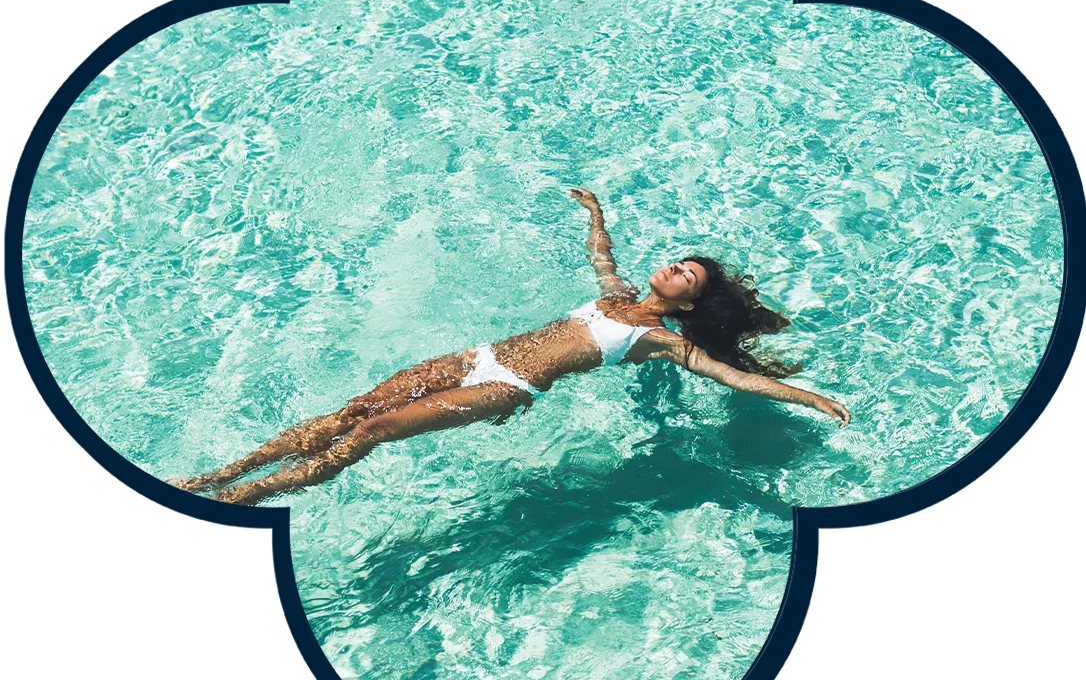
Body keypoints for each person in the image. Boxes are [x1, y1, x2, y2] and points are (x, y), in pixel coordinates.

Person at [173, 188, 850, 505]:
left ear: (690, 302)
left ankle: (250, 496)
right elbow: (601, 258)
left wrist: (809, 396)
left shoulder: (658, 341)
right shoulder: (616, 296)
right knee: (356, 407)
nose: (672, 266)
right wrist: (595, 215)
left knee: (376, 429)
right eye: (677, 260)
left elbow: (736, 380)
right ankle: (217, 475)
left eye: (686, 274)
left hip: (505, 387)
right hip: (475, 356)